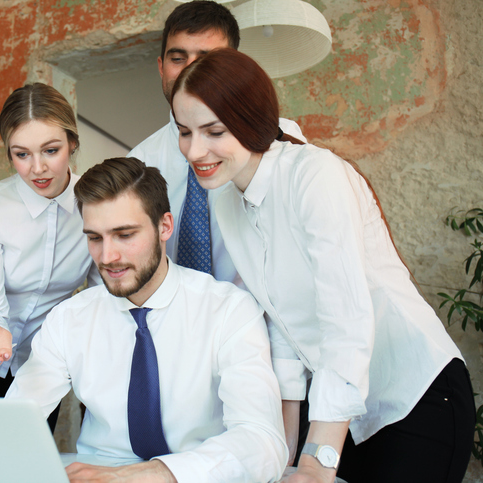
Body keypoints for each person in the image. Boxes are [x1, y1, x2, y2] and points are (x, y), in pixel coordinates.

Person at [171, 47, 475, 483]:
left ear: (252, 122)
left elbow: (346, 322)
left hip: (417, 396)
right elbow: (281, 328)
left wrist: (317, 462)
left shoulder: (315, 176)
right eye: (184, 132)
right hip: (344, 412)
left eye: (213, 131)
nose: (195, 150)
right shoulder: (226, 202)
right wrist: (286, 453)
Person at [5, 157, 288, 483]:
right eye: (95, 238)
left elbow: (262, 442)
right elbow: (14, 424)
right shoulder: (69, 320)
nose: (107, 256)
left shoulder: (228, 312)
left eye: (124, 234)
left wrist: (155, 474)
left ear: (164, 226)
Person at [128, 0, 305, 281]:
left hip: (267, 317)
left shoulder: (282, 139)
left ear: (233, 66)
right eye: (178, 58)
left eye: (207, 58)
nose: (191, 70)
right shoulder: (136, 165)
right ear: (161, 67)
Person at [0, 84, 100, 413]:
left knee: (28, 456)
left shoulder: (94, 202)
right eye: (22, 154)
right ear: (10, 154)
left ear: (72, 143)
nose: (37, 168)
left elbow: (99, 294)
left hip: (41, 361)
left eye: (50, 150)